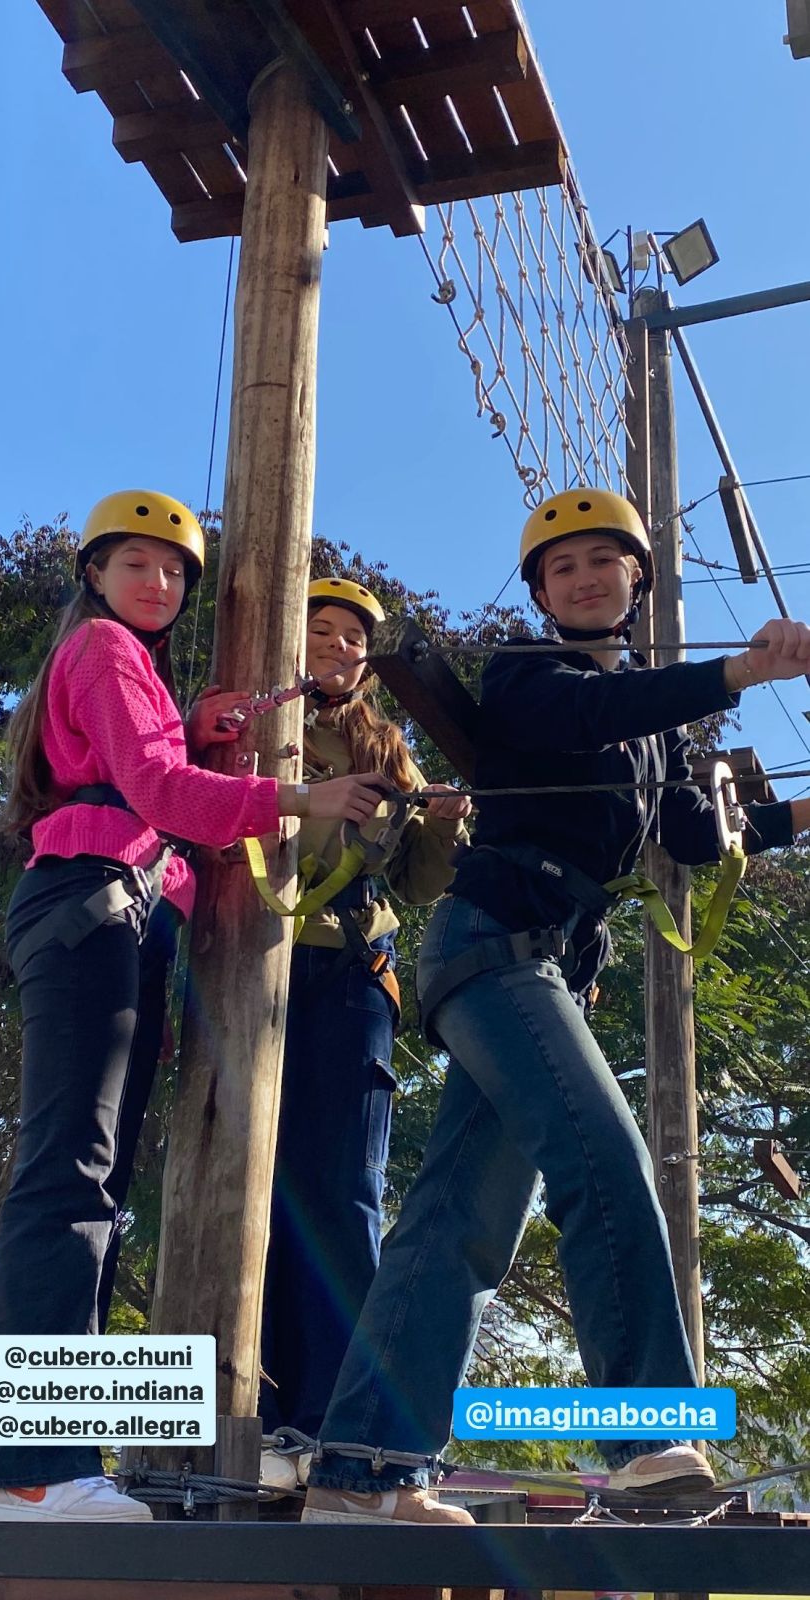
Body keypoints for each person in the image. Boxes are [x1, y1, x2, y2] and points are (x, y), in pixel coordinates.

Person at [299, 488, 810, 1527]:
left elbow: (696, 834)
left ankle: (361, 1471)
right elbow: (592, 715)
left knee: (458, 1225)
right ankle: (647, 1433)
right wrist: (741, 669)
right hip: (491, 950)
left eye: (603, 562)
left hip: (549, 969)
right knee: (603, 1158)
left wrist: (795, 812)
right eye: (563, 566)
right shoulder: (528, 674)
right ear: (540, 591)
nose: (583, 578)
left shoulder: (658, 729)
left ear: (637, 582)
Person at [0, 492, 389, 1523]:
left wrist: (207, 742)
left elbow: (162, 791)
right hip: (90, 909)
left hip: (112, 911)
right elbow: (156, 792)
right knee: (71, 1174)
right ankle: (26, 1464)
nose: (156, 584)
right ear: (95, 576)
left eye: (172, 571)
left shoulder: (131, 669)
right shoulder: (107, 649)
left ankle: (39, 1455)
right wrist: (297, 797)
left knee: (91, 1183)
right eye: (135, 564)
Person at [190, 576, 471, 1492]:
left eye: (354, 637)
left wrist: (439, 827)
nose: (341, 648)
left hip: (351, 969)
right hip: (250, 961)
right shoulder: (251, 724)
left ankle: (340, 1421)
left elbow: (421, 886)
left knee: (345, 1191)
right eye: (322, 630)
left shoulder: (390, 749)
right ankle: (256, 1419)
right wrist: (303, 792)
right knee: (243, 1190)